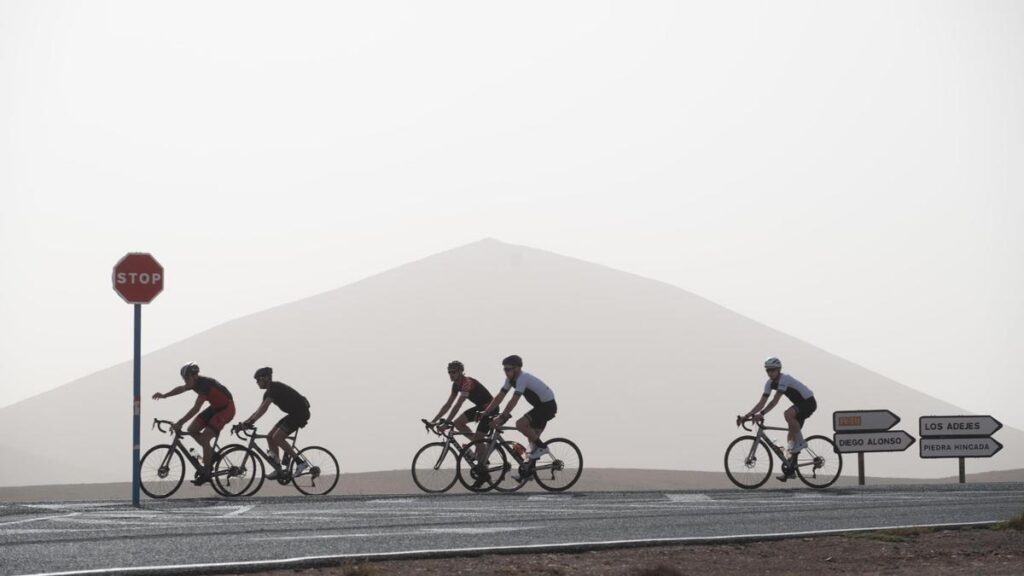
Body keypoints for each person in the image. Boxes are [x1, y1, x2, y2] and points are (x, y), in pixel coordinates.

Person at [152, 362, 236, 485]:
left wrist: (180, 422)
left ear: (194, 376)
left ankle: (207, 472)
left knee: (206, 437)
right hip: (215, 408)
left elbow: (196, 408)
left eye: (187, 378)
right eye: (184, 378)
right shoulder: (193, 382)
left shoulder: (205, 385)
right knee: (191, 429)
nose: (185, 381)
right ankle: (211, 454)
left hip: (227, 409)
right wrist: (164, 395)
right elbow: (181, 388)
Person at [737, 356, 817, 481]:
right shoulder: (769, 383)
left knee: (787, 414)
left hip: (808, 402)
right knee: (790, 440)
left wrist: (762, 413)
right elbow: (761, 402)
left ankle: (801, 443)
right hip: (799, 405)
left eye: (772, 370)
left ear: (779, 369)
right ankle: (790, 470)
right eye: (767, 370)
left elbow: (775, 401)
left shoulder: (784, 379)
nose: (770, 373)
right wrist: (746, 415)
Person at [482, 354, 557, 481]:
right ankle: (528, 473)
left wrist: (502, 417)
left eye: (508, 369)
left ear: (517, 369)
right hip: (540, 406)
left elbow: (514, 400)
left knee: (520, 424)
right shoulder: (510, 380)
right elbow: (500, 396)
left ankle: (543, 447)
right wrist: (486, 412)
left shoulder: (523, 378)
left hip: (547, 406)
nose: (506, 372)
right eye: (504, 369)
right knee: (532, 442)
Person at [241, 367, 311, 479]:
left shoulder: (274, 387)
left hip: (300, 413)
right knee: (269, 437)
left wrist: (252, 422)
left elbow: (264, 408)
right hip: (293, 414)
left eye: (258, 380)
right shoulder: (268, 392)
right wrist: (244, 423)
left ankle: (300, 463)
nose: (257, 383)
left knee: (277, 437)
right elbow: (258, 410)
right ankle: (278, 468)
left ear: (266, 378)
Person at [429, 360, 494, 445]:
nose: (451, 374)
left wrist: (447, 423)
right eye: (449, 372)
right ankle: (479, 445)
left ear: (460, 371)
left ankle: (480, 446)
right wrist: (433, 421)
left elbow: (458, 405)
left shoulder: (467, 382)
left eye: (454, 372)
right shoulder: (456, 385)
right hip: (481, 407)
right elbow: (448, 405)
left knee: (460, 424)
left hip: (490, 408)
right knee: (458, 424)